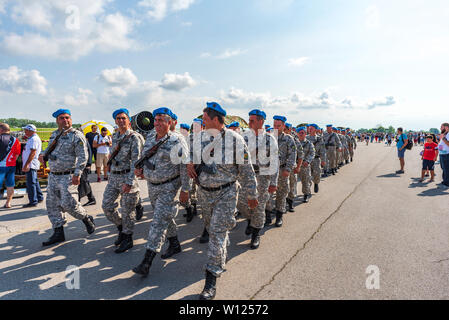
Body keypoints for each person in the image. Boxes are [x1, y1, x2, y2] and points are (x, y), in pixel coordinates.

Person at [186, 102, 258, 300]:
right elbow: (189, 156)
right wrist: (190, 163)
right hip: (204, 193)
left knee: (216, 234)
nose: (202, 122)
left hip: (226, 193)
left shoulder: (235, 140)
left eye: (205, 119)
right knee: (212, 228)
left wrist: (252, 195)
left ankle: (211, 280)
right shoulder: (199, 138)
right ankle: (223, 237)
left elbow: (246, 169)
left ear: (217, 120)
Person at [132, 107, 191, 276]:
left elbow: (185, 167)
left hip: (169, 187)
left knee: (157, 222)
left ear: (169, 122)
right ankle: (174, 243)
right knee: (165, 217)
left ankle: (146, 261)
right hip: (152, 185)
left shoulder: (176, 141)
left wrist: (185, 190)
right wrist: (141, 169)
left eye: (161, 121)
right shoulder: (151, 136)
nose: (156, 124)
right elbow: (146, 155)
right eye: (155, 120)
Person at [39, 109, 95, 246]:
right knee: (52, 205)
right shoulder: (54, 135)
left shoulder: (76, 135)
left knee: (69, 204)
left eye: (67, 117)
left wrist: (78, 174)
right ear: (57, 121)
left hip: (68, 175)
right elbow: (48, 150)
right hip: (53, 175)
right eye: (62, 118)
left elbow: (83, 156)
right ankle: (58, 232)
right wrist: (42, 155)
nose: (65, 120)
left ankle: (86, 218)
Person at [101, 108, 143, 254]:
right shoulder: (115, 136)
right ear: (115, 121)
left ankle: (128, 238)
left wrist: (130, 182)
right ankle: (121, 228)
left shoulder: (134, 137)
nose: (120, 120)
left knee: (127, 211)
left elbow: (136, 162)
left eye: (123, 118)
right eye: (118, 118)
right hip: (114, 177)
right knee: (107, 207)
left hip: (127, 177)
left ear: (128, 121)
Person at [237, 109, 279, 249]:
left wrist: (273, 182)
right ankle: (250, 219)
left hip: (263, 177)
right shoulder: (245, 137)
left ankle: (256, 234)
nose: (249, 123)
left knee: (259, 206)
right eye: (249, 120)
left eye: (252, 120)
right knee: (242, 203)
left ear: (261, 121)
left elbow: (274, 162)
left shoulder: (270, 139)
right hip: (246, 177)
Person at [21, 124, 44, 207]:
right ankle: (39, 197)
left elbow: (33, 152)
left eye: (26, 130)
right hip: (31, 163)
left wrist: (27, 164)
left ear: (31, 131)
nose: (25, 132)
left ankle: (33, 201)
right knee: (34, 181)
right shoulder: (32, 138)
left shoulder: (33, 139)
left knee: (31, 183)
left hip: (31, 164)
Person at [0, 123, 22, 209]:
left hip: (1, 166)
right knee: (10, 185)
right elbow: (17, 154)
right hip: (11, 165)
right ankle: (8, 203)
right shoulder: (16, 140)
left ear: (1, 130)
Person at [297, 127, 315, 203]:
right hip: (295, 164)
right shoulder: (294, 142)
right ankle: (290, 198)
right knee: (293, 182)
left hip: (304, 165)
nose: (301, 134)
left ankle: (306, 194)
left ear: (305, 134)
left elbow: (312, 153)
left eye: (303, 133)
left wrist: (307, 161)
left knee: (305, 180)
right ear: (297, 134)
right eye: (300, 133)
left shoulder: (309, 143)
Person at [78, 140, 96, 206]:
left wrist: (89, 164)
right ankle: (91, 199)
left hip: (84, 165)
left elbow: (89, 152)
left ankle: (78, 200)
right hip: (78, 165)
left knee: (83, 182)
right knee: (84, 182)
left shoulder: (83, 140)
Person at [438, 123, 449, 187]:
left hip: (446, 154)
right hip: (442, 153)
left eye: (441, 127)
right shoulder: (444, 134)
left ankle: (447, 183)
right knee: (443, 168)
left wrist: (443, 138)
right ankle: (444, 181)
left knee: (446, 168)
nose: (440, 128)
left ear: (446, 127)